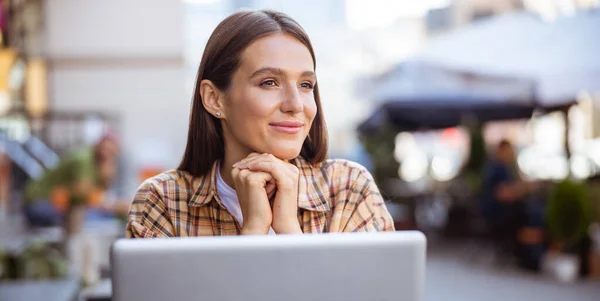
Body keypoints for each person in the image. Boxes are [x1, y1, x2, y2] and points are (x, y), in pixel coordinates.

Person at [127, 10, 394, 238]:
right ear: (214, 99)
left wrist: (288, 230)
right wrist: (254, 230)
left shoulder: (349, 189)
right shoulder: (162, 200)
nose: (295, 105)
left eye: (305, 85)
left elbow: (375, 299)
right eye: (269, 82)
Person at [24, 133, 130, 228]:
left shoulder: (97, 163)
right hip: (39, 204)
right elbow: (82, 193)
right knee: (96, 219)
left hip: (55, 205)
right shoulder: (83, 160)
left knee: (103, 217)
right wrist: (114, 206)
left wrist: (105, 179)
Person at [481, 139, 544, 268]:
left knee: (535, 212)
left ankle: (530, 253)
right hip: (500, 214)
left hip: (510, 212)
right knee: (533, 215)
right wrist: (522, 189)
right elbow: (502, 194)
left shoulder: (507, 168)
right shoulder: (496, 169)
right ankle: (529, 255)